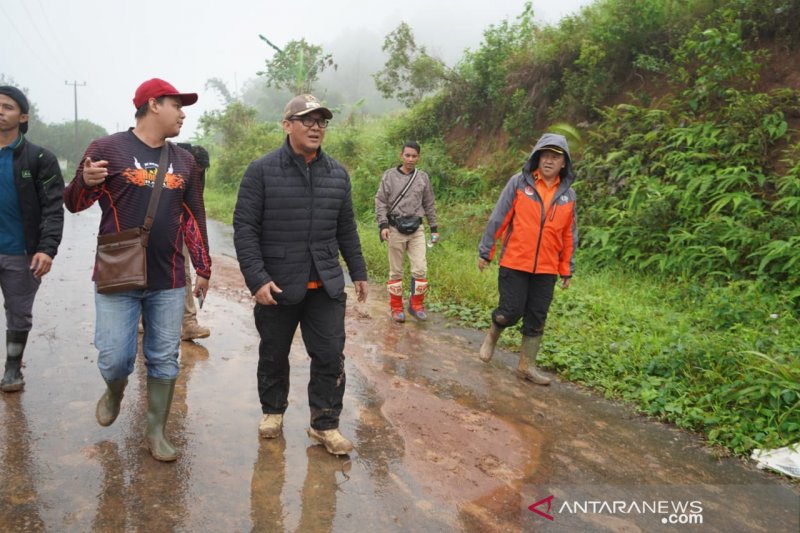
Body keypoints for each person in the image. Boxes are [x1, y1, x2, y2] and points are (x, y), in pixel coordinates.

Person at [63, 78, 211, 461]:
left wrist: (205, 267)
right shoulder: (107, 148)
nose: (182, 114)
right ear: (152, 105)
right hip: (117, 274)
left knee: (164, 356)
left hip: (169, 278)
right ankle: (114, 390)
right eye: (176, 105)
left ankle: (156, 430)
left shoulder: (185, 160)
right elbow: (75, 203)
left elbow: (193, 216)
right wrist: (84, 180)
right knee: (116, 356)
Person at [233, 94, 368, 456]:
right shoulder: (261, 171)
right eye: (307, 120)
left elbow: (346, 229)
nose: (315, 127)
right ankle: (273, 411)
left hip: (324, 283)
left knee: (330, 353)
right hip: (277, 282)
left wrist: (358, 271)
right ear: (287, 125)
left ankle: (325, 424)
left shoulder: (337, 174)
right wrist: (257, 279)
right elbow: (245, 229)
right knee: (274, 352)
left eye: (321, 122)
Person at [477, 133, 577, 386]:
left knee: (537, 316)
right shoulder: (519, 184)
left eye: (556, 156)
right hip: (515, 262)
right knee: (510, 312)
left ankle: (526, 366)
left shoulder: (568, 195)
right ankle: (492, 335)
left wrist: (566, 268)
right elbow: (499, 218)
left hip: (546, 267)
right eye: (545, 154)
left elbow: (568, 234)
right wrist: (486, 252)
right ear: (536, 157)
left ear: (564, 163)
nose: (549, 160)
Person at [0, 86, 65, 392]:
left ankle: (13, 369)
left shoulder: (40, 158)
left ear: (22, 116)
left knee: (18, 312)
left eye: (7, 107)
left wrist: (46, 249)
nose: (0, 111)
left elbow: (53, 207)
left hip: (20, 252)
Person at [374, 141, 438, 322]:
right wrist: (383, 225)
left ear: (419, 157)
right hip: (395, 228)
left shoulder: (423, 178)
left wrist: (434, 228)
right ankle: (396, 308)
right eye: (407, 155)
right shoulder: (389, 176)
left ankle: (416, 305)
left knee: (420, 269)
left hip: (417, 228)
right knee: (396, 271)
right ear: (401, 155)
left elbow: (429, 204)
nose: (410, 159)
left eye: (414, 156)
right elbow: (380, 201)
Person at [175, 142, 211, 341]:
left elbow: (197, 209)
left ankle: (189, 323)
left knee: (184, 272)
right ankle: (140, 318)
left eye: (200, 172)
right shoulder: (171, 159)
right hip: (156, 225)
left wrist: (203, 267)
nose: (196, 175)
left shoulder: (197, 172)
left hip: (183, 224)